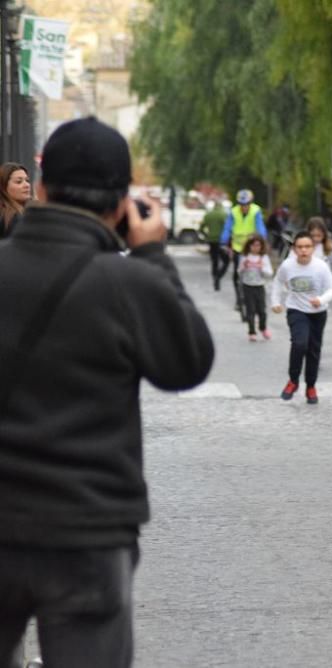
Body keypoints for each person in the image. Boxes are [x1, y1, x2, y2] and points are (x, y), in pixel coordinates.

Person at [0, 116, 214, 667]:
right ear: (122, 204)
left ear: (42, 190)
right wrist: (152, 255)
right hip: (86, 531)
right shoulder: (129, 283)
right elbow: (186, 363)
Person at [271, 231, 332, 404]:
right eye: (300, 247)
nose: (304, 250)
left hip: (318, 313)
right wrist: (275, 302)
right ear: (294, 249)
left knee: (313, 350)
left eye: (307, 247)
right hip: (296, 310)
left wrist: (321, 299)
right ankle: (293, 381)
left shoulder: (321, 266)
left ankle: (310, 386)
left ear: (313, 248)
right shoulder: (287, 265)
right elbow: (278, 282)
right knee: (299, 343)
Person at [220, 189, 267, 318]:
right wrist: (223, 241)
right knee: (237, 273)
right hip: (237, 247)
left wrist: (262, 239)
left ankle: (256, 297)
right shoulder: (233, 212)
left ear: (250, 203)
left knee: (255, 270)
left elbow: (260, 227)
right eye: (242, 204)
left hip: (251, 247)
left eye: (246, 204)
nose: (244, 207)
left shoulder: (256, 211)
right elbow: (227, 228)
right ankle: (238, 300)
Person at [238, 234, 274, 342]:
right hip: (247, 286)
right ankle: (252, 332)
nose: (255, 248)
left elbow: (270, 274)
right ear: (249, 246)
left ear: (261, 246)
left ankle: (263, 328)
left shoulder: (264, 258)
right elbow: (239, 272)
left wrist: (261, 267)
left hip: (259, 286)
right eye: (253, 245)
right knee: (250, 310)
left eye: (258, 245)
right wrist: (244, 267)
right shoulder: (245, 257)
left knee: (262, 310)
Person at [199, 201, 229, 290]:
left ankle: (215, 278)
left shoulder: (208, 215)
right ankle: (219, 276)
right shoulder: (224, 215)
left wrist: (206, 235)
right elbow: (228, 227)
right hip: (221, 241)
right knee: (226, 260)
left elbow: (201, 228)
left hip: (211, 240)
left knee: (214, 261)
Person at [0, 162, 31, 238]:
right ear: (4, 187)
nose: (27, 185)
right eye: (19, 182)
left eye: (27, 180)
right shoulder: (13, 218)